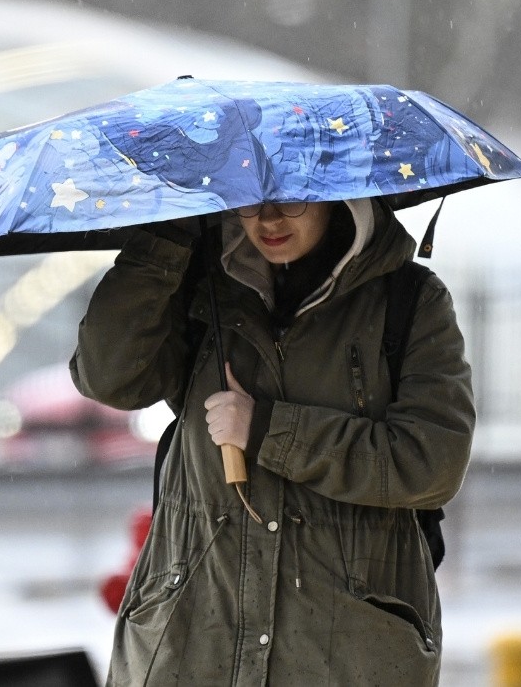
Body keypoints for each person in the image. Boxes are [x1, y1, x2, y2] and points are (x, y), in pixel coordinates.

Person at [70, 197, 475, 686]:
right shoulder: (198, 284)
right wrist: (166, 238)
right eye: (251, 200)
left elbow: (431, 462)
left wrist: (267, 430)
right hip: (189, 646)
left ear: (338, 196)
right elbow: (109, 379)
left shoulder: (409, 300)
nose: (268, 219)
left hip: (347, 657)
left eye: (291, 199)